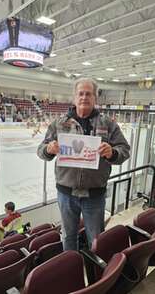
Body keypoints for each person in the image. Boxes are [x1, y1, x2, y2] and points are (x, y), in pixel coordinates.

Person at [37, 78, 130, 250]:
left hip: (94, 195)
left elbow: (125, 150)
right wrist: (49, 149)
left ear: (95, 98)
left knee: (96, 239)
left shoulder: (108, 124)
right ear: (74, 97)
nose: (84, 97)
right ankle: (70, 269)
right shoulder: (59, 123)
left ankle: (97, 272)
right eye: (81, 93)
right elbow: (41, 150)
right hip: (66, 194)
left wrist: (113, 153)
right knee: (68, 236)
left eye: (89, 94)